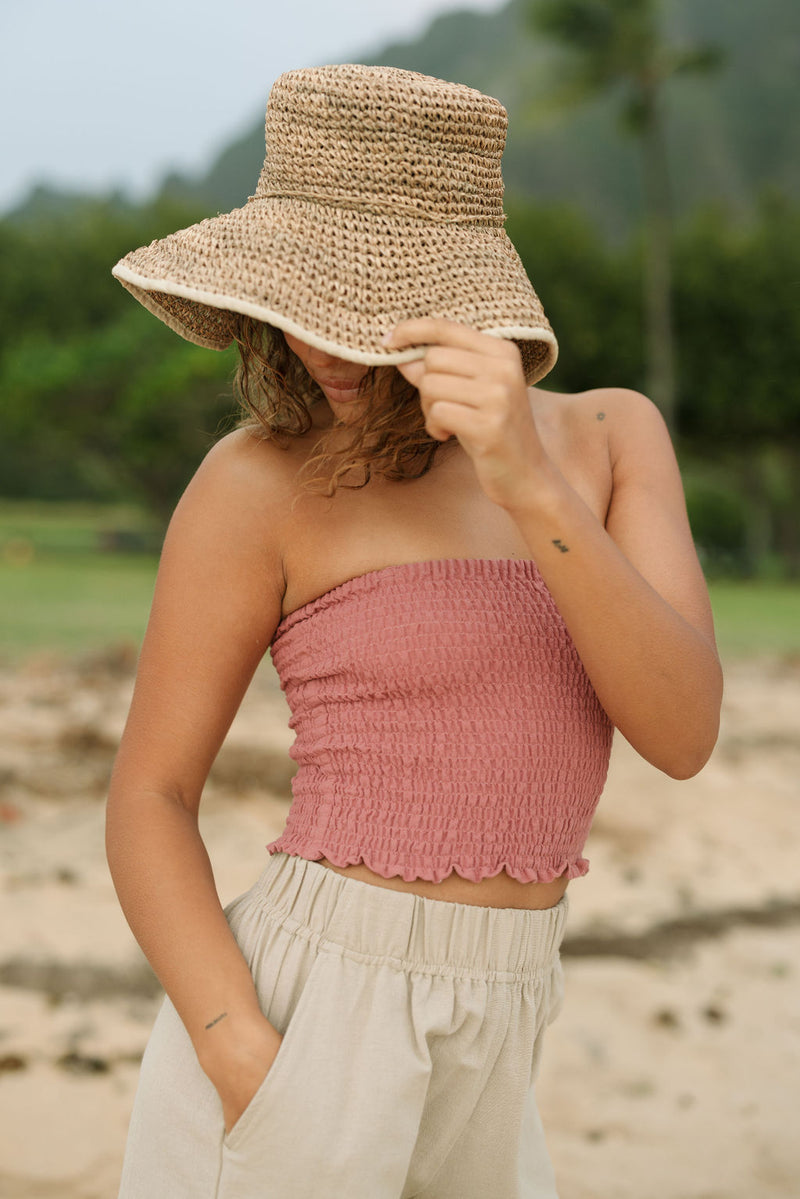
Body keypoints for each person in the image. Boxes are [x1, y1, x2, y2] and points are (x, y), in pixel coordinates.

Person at [106, 64, 722, 1199]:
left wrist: (530, 486)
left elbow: (680, 731)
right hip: (305, 1018)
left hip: (507, 1017)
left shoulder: (606, 438)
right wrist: (238, 1045)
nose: (316, 353)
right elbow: (148, 795)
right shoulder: (256, 483)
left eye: (355, 316)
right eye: (295, 312)